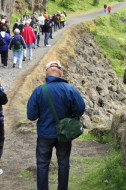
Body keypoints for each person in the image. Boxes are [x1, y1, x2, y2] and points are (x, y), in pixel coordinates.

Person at [27, 61, 86, 190]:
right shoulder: (70, 89)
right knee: (64, 164)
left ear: (46, 73)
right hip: (64, 134)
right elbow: (80, 110)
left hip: (44, 134)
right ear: (61, 73)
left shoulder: (39, 91)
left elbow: (31, 115)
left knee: (42, 164)